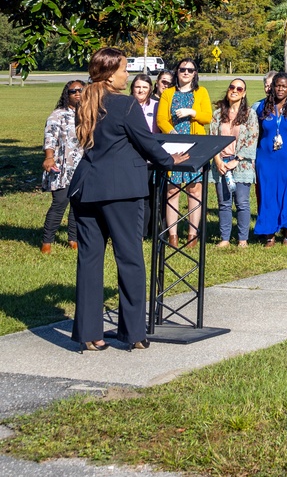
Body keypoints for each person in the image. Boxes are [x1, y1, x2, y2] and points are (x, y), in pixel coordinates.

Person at [69, 46, 186, 351]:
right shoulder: (126, 106)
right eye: (123, 69)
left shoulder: (85, 102)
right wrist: (172, 160)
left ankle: (89, 334)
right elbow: (148, 144)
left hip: (85, 189)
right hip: (121, 191)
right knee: (130, 258)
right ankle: (134, 333)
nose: (127, 74)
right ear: (110, 74)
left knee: (90, 261)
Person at [156, 58, 212, 248]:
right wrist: (173, 135)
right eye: (182, 70)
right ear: (176, 72)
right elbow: (161, 119)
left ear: (195, 73)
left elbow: (207, 117)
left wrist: (192, 112)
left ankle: (192, 234)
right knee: (172, 189)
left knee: (194, 189)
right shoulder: (168, 93)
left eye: (190, 70)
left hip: (196, 146)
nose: (186, 73)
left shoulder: (201, 92)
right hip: (174, 147)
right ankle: (172, 234)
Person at [255, 71, 287, 245]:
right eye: (277, 85)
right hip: (266, 160)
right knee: (267, 195)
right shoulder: (262, 106)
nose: (280, 89)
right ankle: (269, 234)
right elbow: (256, 131)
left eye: (284, 86)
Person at [210, 77, 259, 249]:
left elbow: (252, 139)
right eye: (232, 87)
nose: (235, 90)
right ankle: (224, 238)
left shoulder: (250, 114)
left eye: (239, 89)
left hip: (241, 164)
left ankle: (242, 239)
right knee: (223, 202)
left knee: (242, 202)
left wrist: (236, 160)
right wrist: (217, 160)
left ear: (244, 93)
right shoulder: (217, 114)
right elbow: (212, 139)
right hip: (221, 164)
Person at [41, 79, 85, 253]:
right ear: (66, 95)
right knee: (60, 203)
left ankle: (73, 238)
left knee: (78, 204)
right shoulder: (58, 114)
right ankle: (47, 241)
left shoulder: (90, 113)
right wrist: (49, 158)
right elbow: (49, 137)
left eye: (80, 90)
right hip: (62, 166)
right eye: (72, 91)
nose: (77, 93)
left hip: (82, 166)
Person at [130, 73, 158, 238]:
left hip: (148, 159)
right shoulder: (126, 105)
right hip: (129, 158)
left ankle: (144, 232)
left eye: (144, 87)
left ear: (150, 90)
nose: (140, 90)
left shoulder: (156, 106)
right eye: (137, 86)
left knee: (147, 197)